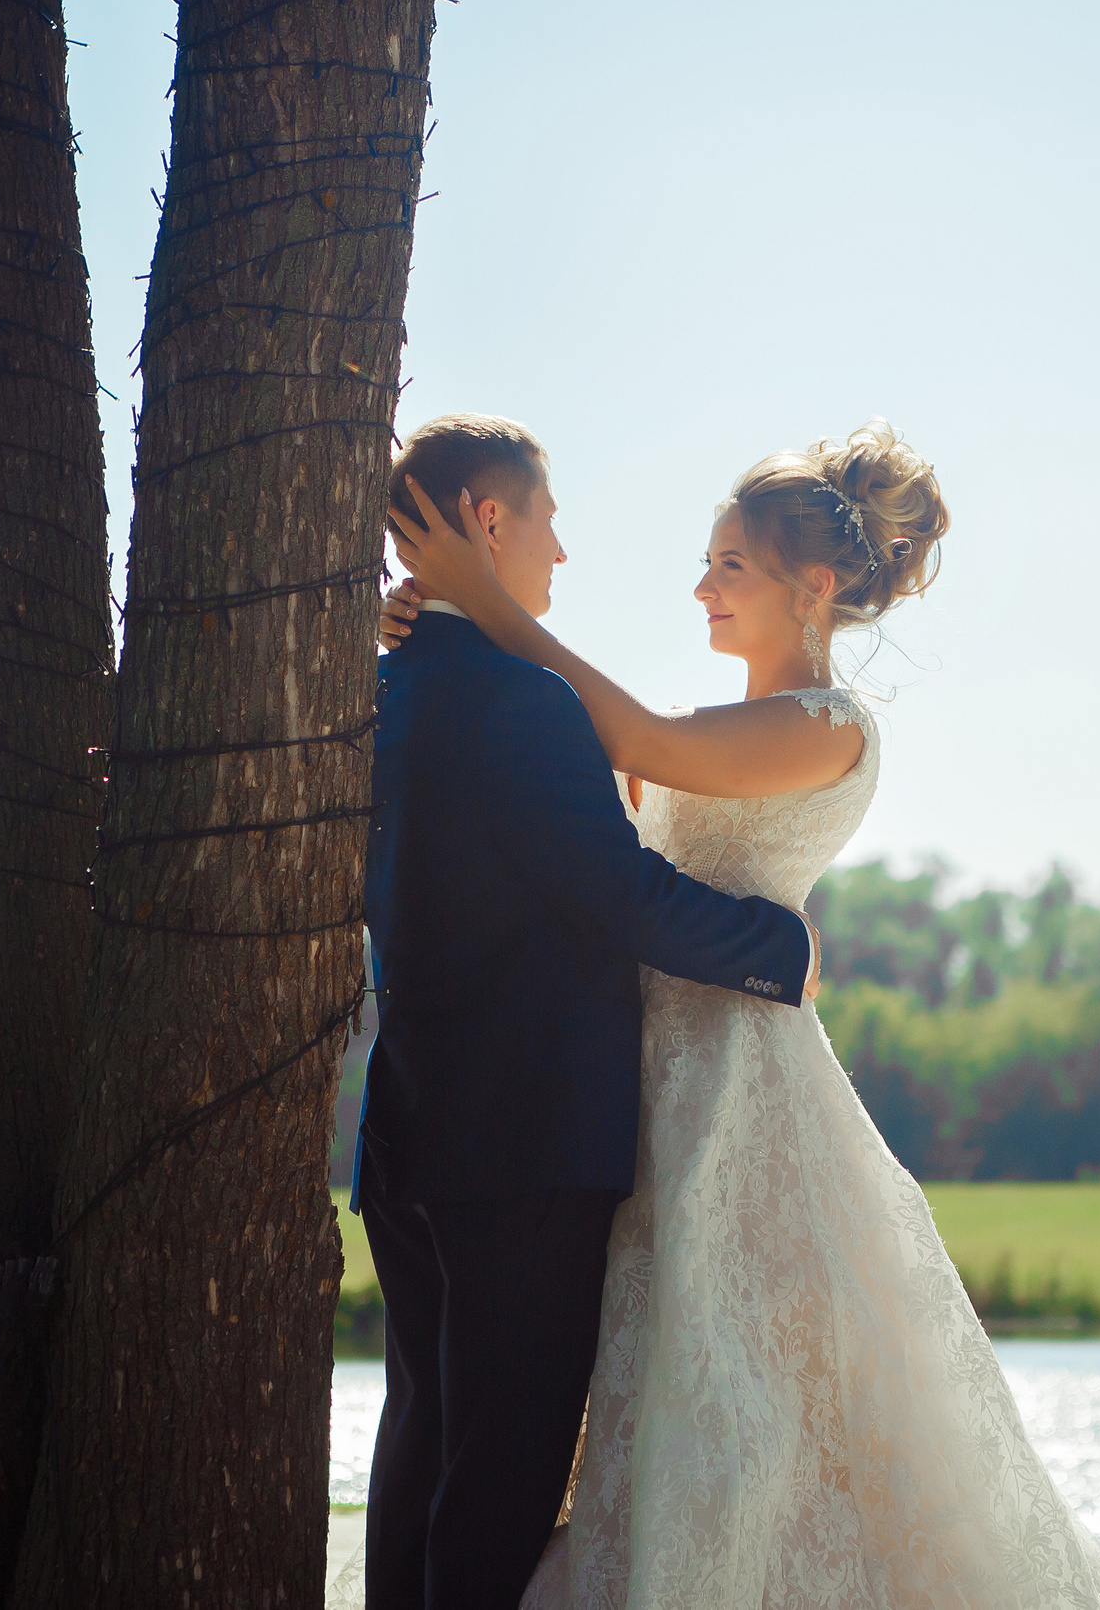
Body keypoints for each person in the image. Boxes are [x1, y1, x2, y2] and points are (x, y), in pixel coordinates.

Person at [382, 419, 1100, 1610]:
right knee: (649, 1371)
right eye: (706, 562)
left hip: (737, 1079)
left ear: (816, 586)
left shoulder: (824, 727)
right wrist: (452, 619)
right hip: (633, 1082)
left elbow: (636, 743)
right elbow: (584, 776)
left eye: (729, 565)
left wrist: (477, 600)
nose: (702, 586)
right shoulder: (709, 728)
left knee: (755, 1381)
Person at [352, 413, 820, 1610]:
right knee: (500, 1470)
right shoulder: (520, 701)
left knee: (422, 1438)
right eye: (547, 522)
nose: (558, 554)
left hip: (408, 1131)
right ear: (488, 520)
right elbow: (619, 897)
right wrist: (784, 948)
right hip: (526, 1140)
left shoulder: (378, 694)